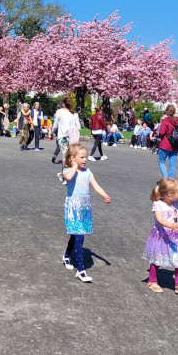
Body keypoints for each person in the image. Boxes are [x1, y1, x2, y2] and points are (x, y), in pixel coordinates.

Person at [60, 143, 111, 283]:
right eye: (81, 157)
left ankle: (66, 256)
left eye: (85, 157)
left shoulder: (88, 172)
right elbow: (68, 178)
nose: (85, 160)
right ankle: (81, 270)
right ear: (72, 158)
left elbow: (96, 186)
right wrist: (74, 166)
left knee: (75, 235)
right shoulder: (67, 170)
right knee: (79, 236)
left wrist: (105, 195)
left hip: (84, 207)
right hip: (73, 207)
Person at [143, 178, 178, 296]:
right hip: (161, 236)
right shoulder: (158, 204)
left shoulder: (175, 203)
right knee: (157, 259)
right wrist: (170, 225)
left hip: (174, 237)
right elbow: (160, 220)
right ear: (169, 195)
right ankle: (152, 281)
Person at [157, 105, 178, 178]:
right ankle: (171, 179)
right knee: (172, 164)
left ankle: (165, 177)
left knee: (161, 161)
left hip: (165, 144)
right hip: (175, 145)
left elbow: (161, 133)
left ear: (167, 111)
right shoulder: (177, 121)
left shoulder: (165, 121)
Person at [52, 97, 80, 164]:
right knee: (71, 155)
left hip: (62, 136)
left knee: (64, 156)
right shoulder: (74, 113)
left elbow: (55, 125)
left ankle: (65, 169)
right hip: (72, 137)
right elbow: (78, 127)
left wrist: (51, 132)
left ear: (63, 104)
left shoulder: (59, 112)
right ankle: (71, 168)